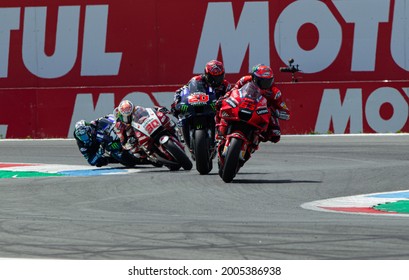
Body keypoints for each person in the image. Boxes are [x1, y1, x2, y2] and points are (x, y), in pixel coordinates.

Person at [216, 64, 290, 143]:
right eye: (262, 81)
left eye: (268, 81)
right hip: (242, 105)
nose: (265, 84)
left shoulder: (275, 92)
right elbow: (233, 91)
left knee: (275, 135)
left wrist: (277, 112)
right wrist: (225, 98)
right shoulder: (244, 80)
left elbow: (285, 110)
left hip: (260, 112)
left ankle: (255, 139)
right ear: (254, 78)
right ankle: (220, 131)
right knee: (220, 105)